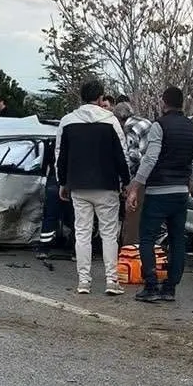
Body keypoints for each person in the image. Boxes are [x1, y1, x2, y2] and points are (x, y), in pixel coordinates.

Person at [127, 86, 193, 303]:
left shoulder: (159, 125)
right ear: (182, 104)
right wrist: (189, 183)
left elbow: (151, 158)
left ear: (164, 102)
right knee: (178, 240)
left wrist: (135, 186)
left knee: (147, 237)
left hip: (158, 191)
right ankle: (170, 288)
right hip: (180, 193)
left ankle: (151, 285)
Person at [56, 80, 131, 296]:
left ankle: (84, 281)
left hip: (78, 186)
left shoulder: (67, 121)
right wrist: (126, 182)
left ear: (81, 97)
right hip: (106, 186)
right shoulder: (110, 121)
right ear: (100, 98)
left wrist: (63, 182)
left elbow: (61, 155)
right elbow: (121, 155)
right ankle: (111, 280)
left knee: (82, 233)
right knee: (109, 234)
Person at [112, 98, 153, 245]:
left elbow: (133, 157)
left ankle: (129, 251)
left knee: (132, 218)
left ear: (119, 119)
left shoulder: (129, 128)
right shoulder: (146, 122)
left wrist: (126, 182)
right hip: (154, 176)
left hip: (140, 178)